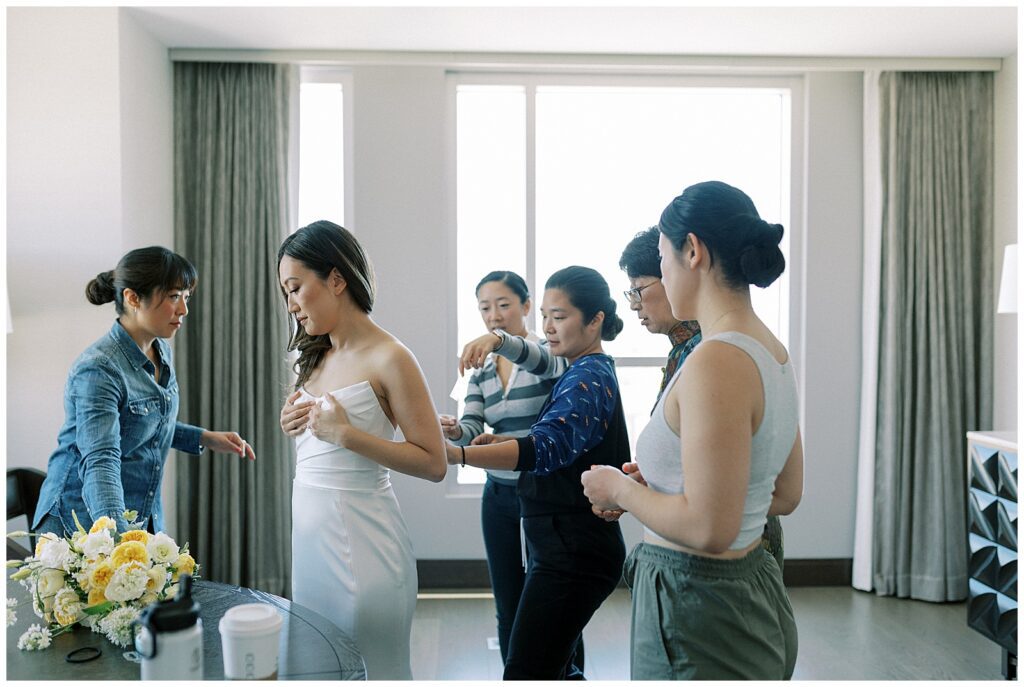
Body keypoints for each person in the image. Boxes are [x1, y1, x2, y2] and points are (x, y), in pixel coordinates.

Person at [582, 181, 803, 680]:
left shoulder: (716, 360)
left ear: (693, 251)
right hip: (747, 588)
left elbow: (709, 527)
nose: (658, 275)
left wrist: (618, 487)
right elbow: (784, 492)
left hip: (698, 602)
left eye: (661, 260)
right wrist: (664, 488)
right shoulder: (770, 349)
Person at [277, 220, 447, 681]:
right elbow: (321, 440)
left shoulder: (392, 357)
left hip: (366, 545)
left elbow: (434, 463)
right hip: (310, 547)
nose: (291, 305)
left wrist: (348, 435)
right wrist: (293, 422)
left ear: (336, 279)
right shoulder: (314, 357)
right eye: (286, 293)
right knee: (318, 665)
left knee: (372, 669)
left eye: (295, 288)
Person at [451, 265, 628, 681]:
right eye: (547, 316)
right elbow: (480, 426)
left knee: (532, 666)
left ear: (595, 319)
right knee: (544, 657)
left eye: (559, 317)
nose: (549, 327)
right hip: (552, 533)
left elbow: (545, 446)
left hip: (572, 545)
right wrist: (465, 438)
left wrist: (456, 457)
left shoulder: (579, 373)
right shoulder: (580, 370)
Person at [33, 246, 255, 538]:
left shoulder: (160, 350)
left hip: (138, 513)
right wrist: (120, 541)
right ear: (133, 297)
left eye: (186, 297)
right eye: (174, 297)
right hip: (80, 524)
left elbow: (142, 422)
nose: (184, 310)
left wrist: (202, 437)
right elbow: (101, 462)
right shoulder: (98, 370)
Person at [617, 227, 786, 570]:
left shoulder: (712, 355)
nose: (634, 304)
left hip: (722, 560)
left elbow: (774, 489)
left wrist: (621, 492)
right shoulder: (697, 347)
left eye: (639, 289)